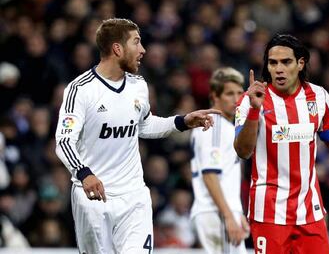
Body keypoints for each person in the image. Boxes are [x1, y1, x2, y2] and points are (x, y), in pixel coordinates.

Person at [55, 18, 220, 254]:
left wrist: (182, 122)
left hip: (134, 196)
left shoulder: (138, 85)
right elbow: (63, 141)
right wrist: (84, 173)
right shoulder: (80, 89)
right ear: (117, 48)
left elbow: (142, 125)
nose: (143, 50)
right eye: (137, 42)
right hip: (92, 197)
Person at [233, 34, 329, 254]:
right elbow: (243, 151)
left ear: (300, 63)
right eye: (272, 62)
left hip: (310, 212)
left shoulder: (318, 96)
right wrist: (253, 110)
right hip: (268, 213)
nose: (278, 69)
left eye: (286, 62)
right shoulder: (250, 99)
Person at [190, 67, 250, 254]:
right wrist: (228, 215)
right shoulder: (213, 126)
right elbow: (209, 174)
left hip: (221, 211)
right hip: (215, 212)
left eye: (240, 93)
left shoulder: (224, 126)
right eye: (229, 93)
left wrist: (236, 212)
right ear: (215, 96)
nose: (236, 99)